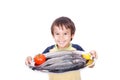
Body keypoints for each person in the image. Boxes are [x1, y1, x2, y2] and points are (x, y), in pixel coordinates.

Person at [25, 16, 97, 80]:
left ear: (72, 35)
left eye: (65, 33)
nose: (61, 37)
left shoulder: (77, 49)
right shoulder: (49, 51)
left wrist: (92, 55)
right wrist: (30, 59)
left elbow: (89, 64)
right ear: (53, 35)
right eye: (57, 34)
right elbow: (37, 62)